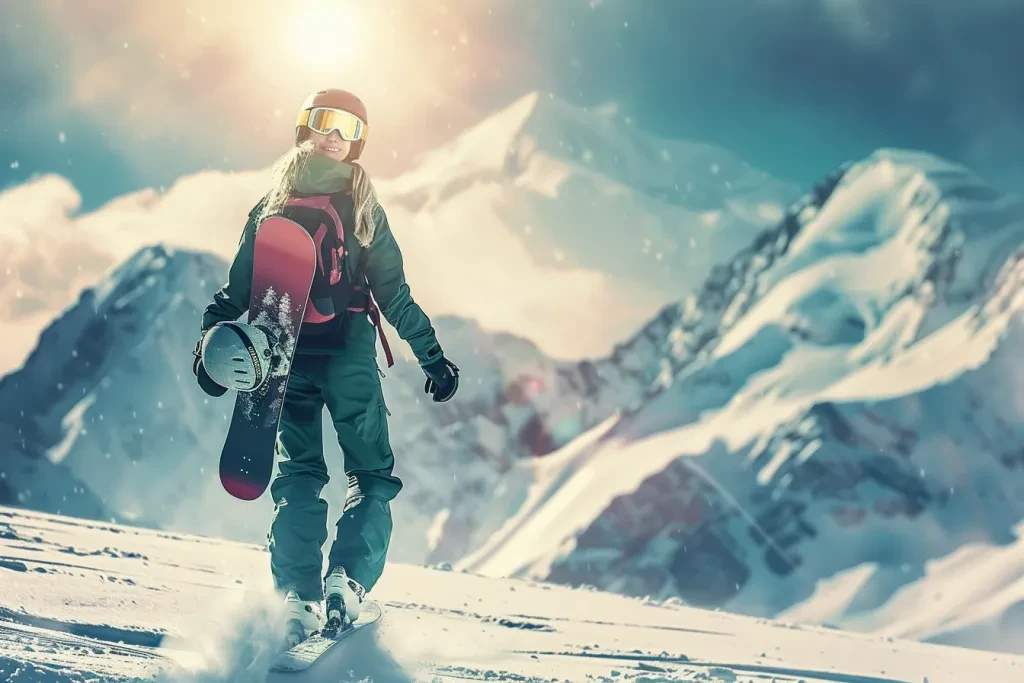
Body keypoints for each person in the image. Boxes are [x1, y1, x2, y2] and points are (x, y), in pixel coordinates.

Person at [192, 88, 459, 643]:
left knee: (299, 478)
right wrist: (432, 358)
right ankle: (348, 582)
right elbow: (395, 295)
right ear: (305, 127)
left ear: (357, 140)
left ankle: (297, 598)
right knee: (371, 475)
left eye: (347, 126)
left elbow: (236, 292)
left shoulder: (272, 205)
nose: (334, 134)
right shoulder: (363, 207)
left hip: (281, 358)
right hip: (351, 353)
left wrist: (209, 352)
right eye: (325, 121)